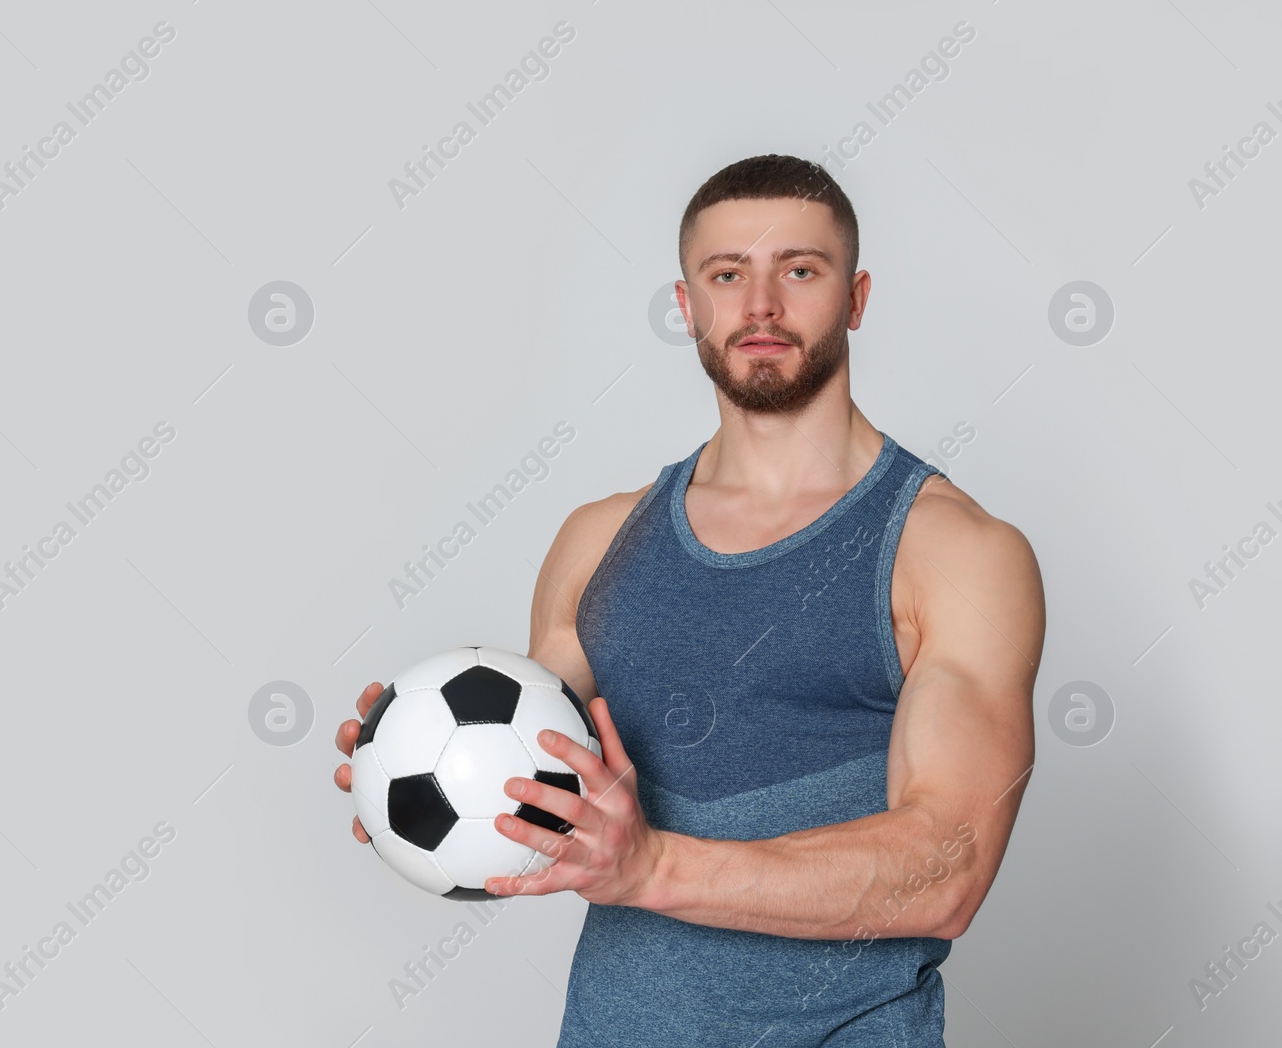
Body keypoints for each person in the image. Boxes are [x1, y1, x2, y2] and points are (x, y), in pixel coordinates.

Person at [332, 154, 1045, 1047]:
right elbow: (547, 782)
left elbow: (950, 868)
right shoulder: (597, 540)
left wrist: (654, 866)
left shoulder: (956, 552)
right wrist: (412, 765)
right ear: (686, 306)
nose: (760, 307)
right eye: (726, 274)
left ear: (856, 298)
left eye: (799, 269)